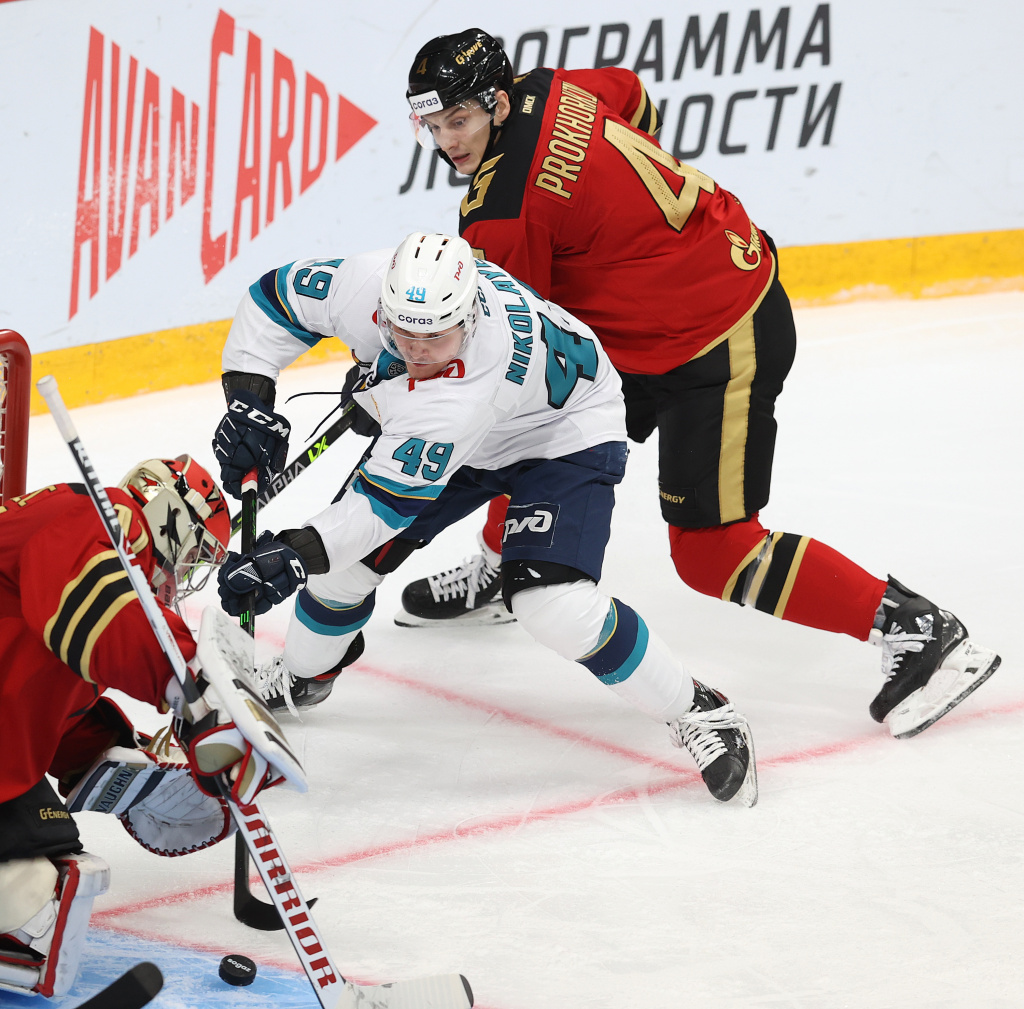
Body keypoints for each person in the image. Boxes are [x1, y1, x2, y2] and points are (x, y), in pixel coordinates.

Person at [395, 28, 1001, 740]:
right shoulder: (549, 88)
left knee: (711, 551)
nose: (447, 141)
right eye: (432, 124)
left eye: (459, 120)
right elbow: (633, 95)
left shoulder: (502, 211)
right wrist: (628, 231)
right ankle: (507, 562)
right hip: (670, 307)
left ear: (497, 104)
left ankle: (918, 629)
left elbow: (512, 350)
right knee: (539, 429)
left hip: (719, 334)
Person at [212, 231, 759, 810]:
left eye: (435, 337)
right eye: (401, 333)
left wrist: (293, 552)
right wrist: (249, 400)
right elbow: (274, 300)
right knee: (341, 575)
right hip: (478, 427)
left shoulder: (461, 397)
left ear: (470, 317)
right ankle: (306, 674)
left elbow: (379, 509)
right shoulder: (365, 283)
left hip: (561, 434)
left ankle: (699, 709)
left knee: (554, 606)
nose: (416, 350)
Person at [0, 456, 283, 999]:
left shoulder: (83, 545)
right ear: (170, 513)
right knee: (31, 896)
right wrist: (195, 689)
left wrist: (119, 763)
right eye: (195, 553)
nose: (183, 575)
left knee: (45, 888)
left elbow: (37, 695)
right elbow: (97, 609)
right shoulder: (93, 518)